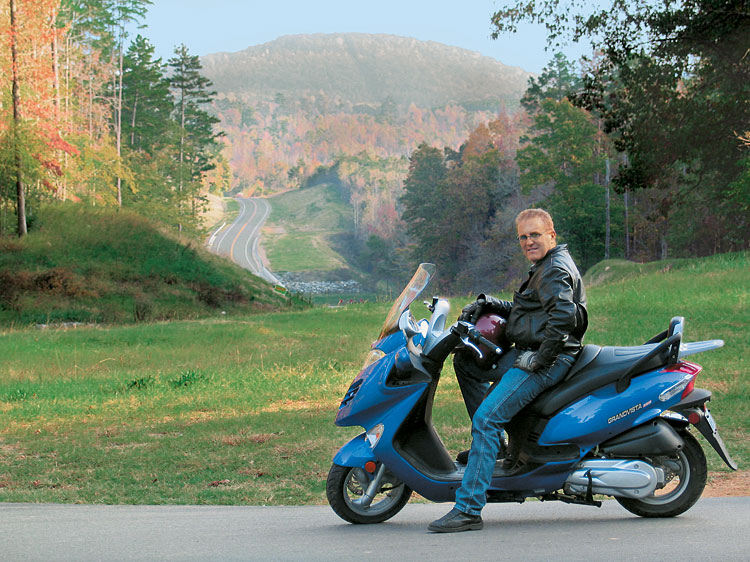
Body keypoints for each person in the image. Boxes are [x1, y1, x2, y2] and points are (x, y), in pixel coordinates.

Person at [428, 208, 588, 533]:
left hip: (546, 359)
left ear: (551, 235)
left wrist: (539, 360)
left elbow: (563, 319)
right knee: (467, 363)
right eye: (523, 237)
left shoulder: (554, 269)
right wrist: (490, 303)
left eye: (535, 235)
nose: (529, 241)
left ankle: (469, 509)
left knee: (487, 420)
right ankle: (496, 448)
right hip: (530, 351)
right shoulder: (544, 266)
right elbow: (528, 309)